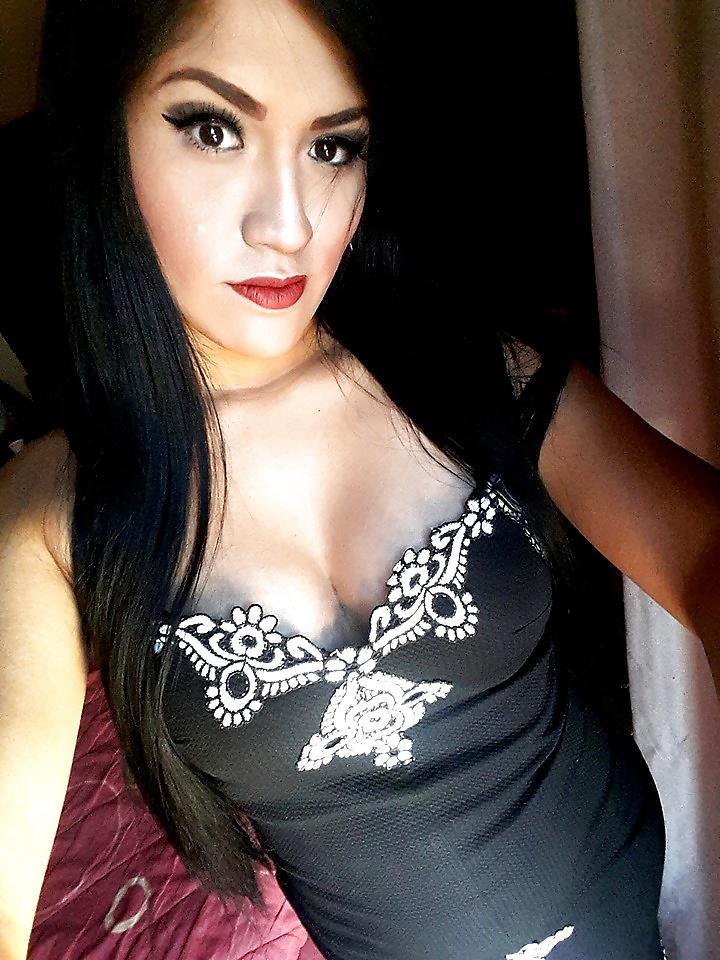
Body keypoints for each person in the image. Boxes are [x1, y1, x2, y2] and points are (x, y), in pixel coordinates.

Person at [1, 0, 718, 958]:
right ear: (101, 131)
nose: (289, 224)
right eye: (214, 129)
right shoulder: (53, 517)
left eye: (332, 146)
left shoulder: (473, 371)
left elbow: (701, 549)